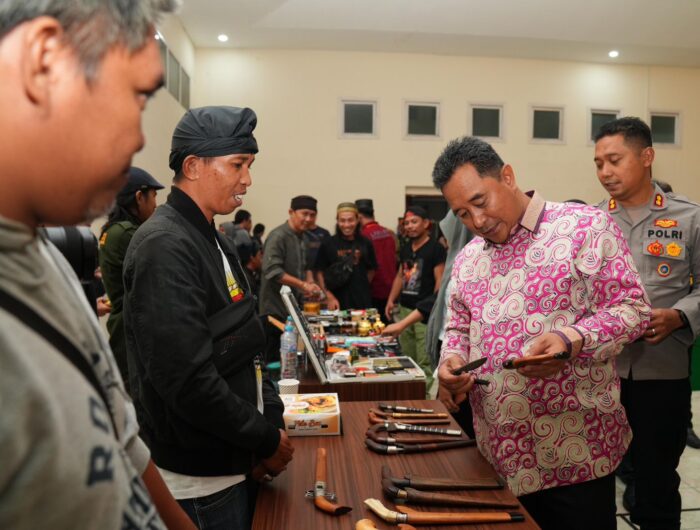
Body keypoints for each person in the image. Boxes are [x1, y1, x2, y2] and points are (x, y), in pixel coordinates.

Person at [0, 1, 196, 529]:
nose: (139, 138)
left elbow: (119, 434)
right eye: (137, 96)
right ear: (45, 62)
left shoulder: (43, 253)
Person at [435, 136, 650, 530]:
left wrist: (571, 339)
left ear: (508, 176)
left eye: (481, 202)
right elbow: (457, 328)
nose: (477, 221)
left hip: (577, 456)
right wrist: (450, 361)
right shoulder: (467, 260)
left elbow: (632, 309)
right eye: (462, 213)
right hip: (499, 457)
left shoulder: (583, 227)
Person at [123, 106, 294, 530]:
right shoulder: (164, 246)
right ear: (193, 166)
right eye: (238, 164)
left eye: (249, 165)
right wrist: (264, 439)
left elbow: (249, 344)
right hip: (201, 484)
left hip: (235, 458)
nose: (248, 179)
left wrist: (269, 422)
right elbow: (188, 382)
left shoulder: (214, 239)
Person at [594, 117, 699, 530]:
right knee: (598, 479)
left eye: (614, 160)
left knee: (658, 481)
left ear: (647, 156)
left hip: (662, 372)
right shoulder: (590, 222)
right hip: (601, 376)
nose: (605, 171)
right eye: (598, 163)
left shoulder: (689, 218)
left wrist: (679, 315)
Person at [99, 167, 164, 394]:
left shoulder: (112, 230)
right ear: (139, 197)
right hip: (132, 330)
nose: (155, 204)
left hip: (121, 326)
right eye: (153, 196)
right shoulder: (128, 233)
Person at [385, 206, 446, 388]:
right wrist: (391, 299)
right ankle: (411, 394)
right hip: (404, 309)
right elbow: (400, 276)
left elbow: (440, 281)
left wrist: (434, 310)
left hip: (423, 314)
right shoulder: (405, 248)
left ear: (426, 223)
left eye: (414, 222)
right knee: (407, 359)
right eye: (406, 223)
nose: (410, 226)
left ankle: (426, 397)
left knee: (424, 360)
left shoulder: (436, 248)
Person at [260, 195, 322, 320]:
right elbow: (273, 271)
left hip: (295, 308)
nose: (308, 219)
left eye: (312, 215)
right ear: (291, 212)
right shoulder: (278, 236)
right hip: (275, 309)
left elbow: (306, 267)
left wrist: (310, 284)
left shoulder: (305, 238)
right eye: (304, 214)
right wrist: (303, 285)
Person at [315, 202, 377, 310]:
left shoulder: (366, 243)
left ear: (357, 220)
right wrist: (329, 296)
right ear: (337, 221)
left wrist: (361, 286)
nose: (347, 225)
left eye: (350, 220)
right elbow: (319, 272)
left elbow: (371, 270)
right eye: (342, 220)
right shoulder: (328, 243)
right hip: (336, 302)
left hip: (362, 302)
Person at [356, 198, 397, 321]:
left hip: (374, 290)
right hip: (391, 290)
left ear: (359, 217)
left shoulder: (363, 236)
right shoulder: (389, 233)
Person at [304, 208, 331, 275]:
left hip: (321, 272)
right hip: (303, 272)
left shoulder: (324, 233)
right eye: (306, 215)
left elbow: (329, 254)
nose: (309, 218)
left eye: (312, 215)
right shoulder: (300, 233)